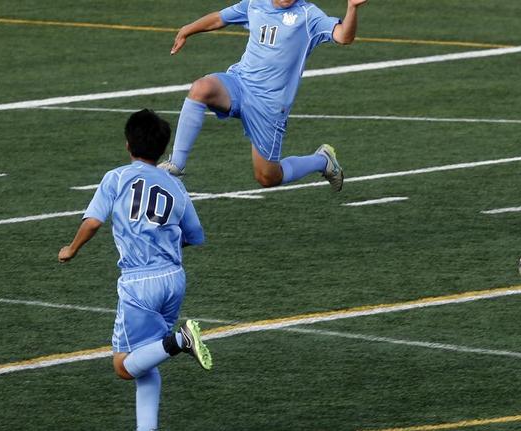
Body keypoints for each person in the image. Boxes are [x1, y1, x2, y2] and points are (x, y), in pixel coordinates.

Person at [58, 109, 213, 430]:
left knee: (123, 365)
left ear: (128, 144)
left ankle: (181, 341)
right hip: (173, 279)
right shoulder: (175, 186)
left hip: (139, 282)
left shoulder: (116, 178)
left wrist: (71, 249)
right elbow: (196, 235)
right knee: (145, 358)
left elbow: (93, 222)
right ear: (162, 149)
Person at [159, 0, 368, 192]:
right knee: (201, 88)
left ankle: (322, 161)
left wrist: (352, 8)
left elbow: (343, 36)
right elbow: (219, 18)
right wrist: (187, 30)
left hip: (269, 107)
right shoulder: (255, 3)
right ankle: (176, 164)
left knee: (268, 177)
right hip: (239, 84)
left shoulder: (308, 15)